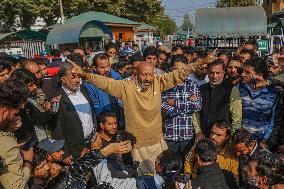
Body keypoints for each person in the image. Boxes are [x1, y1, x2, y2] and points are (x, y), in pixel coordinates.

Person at [69, 53, 213, 175]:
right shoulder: (126, 87)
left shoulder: (159, 82)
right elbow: (106, 83)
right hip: (138, 146)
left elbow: (179, 73)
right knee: (145, 179)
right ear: (135, 74)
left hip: (158, 142)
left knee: (161, 178)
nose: (148, 79)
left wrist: (202, 62)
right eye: (144, 75)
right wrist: (85, 75)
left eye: (150, 75)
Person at [50, 62, 97, 160]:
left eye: (78, 77)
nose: (77, 80)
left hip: (92, 143)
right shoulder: (58, 98)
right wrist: (65, 152)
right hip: (74, 149)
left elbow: (91, 113)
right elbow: (57, 127)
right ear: (63, 79)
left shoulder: (83, 90)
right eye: (73, 77)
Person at [161, 55, 202, 158]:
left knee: (186, 166)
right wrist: (186, 108)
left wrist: (174, 103)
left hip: (187, 136)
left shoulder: (192, 85)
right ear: (171, 69)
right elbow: (162, 107)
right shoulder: (165, 85)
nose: (179, 73)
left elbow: (197, 106)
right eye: (175, 69)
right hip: (169, 136)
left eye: (182, 70)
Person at [0, 80, 34, 189]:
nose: (18, 118)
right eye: (16, 113)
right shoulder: (5, 142)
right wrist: (28, 162)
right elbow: (17, 186)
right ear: (3, 112)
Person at [196, 59, 242, 137]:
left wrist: (232, 136)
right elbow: (196, 112)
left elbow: (237, 117)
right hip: (204, 135)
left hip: (223, 137)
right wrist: (198, 131)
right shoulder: (201, 89)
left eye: (218, 73)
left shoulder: (232, 89)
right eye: (211, 73)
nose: (214, 76)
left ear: (223, 73)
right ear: (207, 72)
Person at [184, 121, 239, 185]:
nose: (213, 137)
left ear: (227, 137)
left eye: (218, 135)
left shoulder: (232, 154)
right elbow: (188, 159)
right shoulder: (202, 144)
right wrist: (187, 175)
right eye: (212, 133)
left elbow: (234, 178)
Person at [240, 57, 279, 142]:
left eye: (247, 72)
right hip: (241, 142)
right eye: (243, 71)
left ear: (260, 74)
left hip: (262, 142)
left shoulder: (273, 93)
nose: (242, 74)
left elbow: (273, 120)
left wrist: (266, 139)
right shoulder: (239, 89)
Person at [84, 53, 124, 129]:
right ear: (94, 68)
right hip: (106, 124)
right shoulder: (90, 84)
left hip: (121, 120)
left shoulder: (117, 78)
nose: (106, 69)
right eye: (102, 67)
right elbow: (96, 106)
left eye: (108, 66)